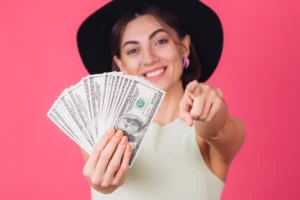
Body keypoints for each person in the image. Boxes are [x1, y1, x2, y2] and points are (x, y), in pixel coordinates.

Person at [77, 0, 246, 199]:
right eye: (133, 50)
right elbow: (102, 185)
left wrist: (210, 105)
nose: (149, 58)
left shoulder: (207, 132)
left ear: (184, 47)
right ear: (120, 64)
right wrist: (101, 184)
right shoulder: (102, 129)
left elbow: (215, 127)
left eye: (160, 41)